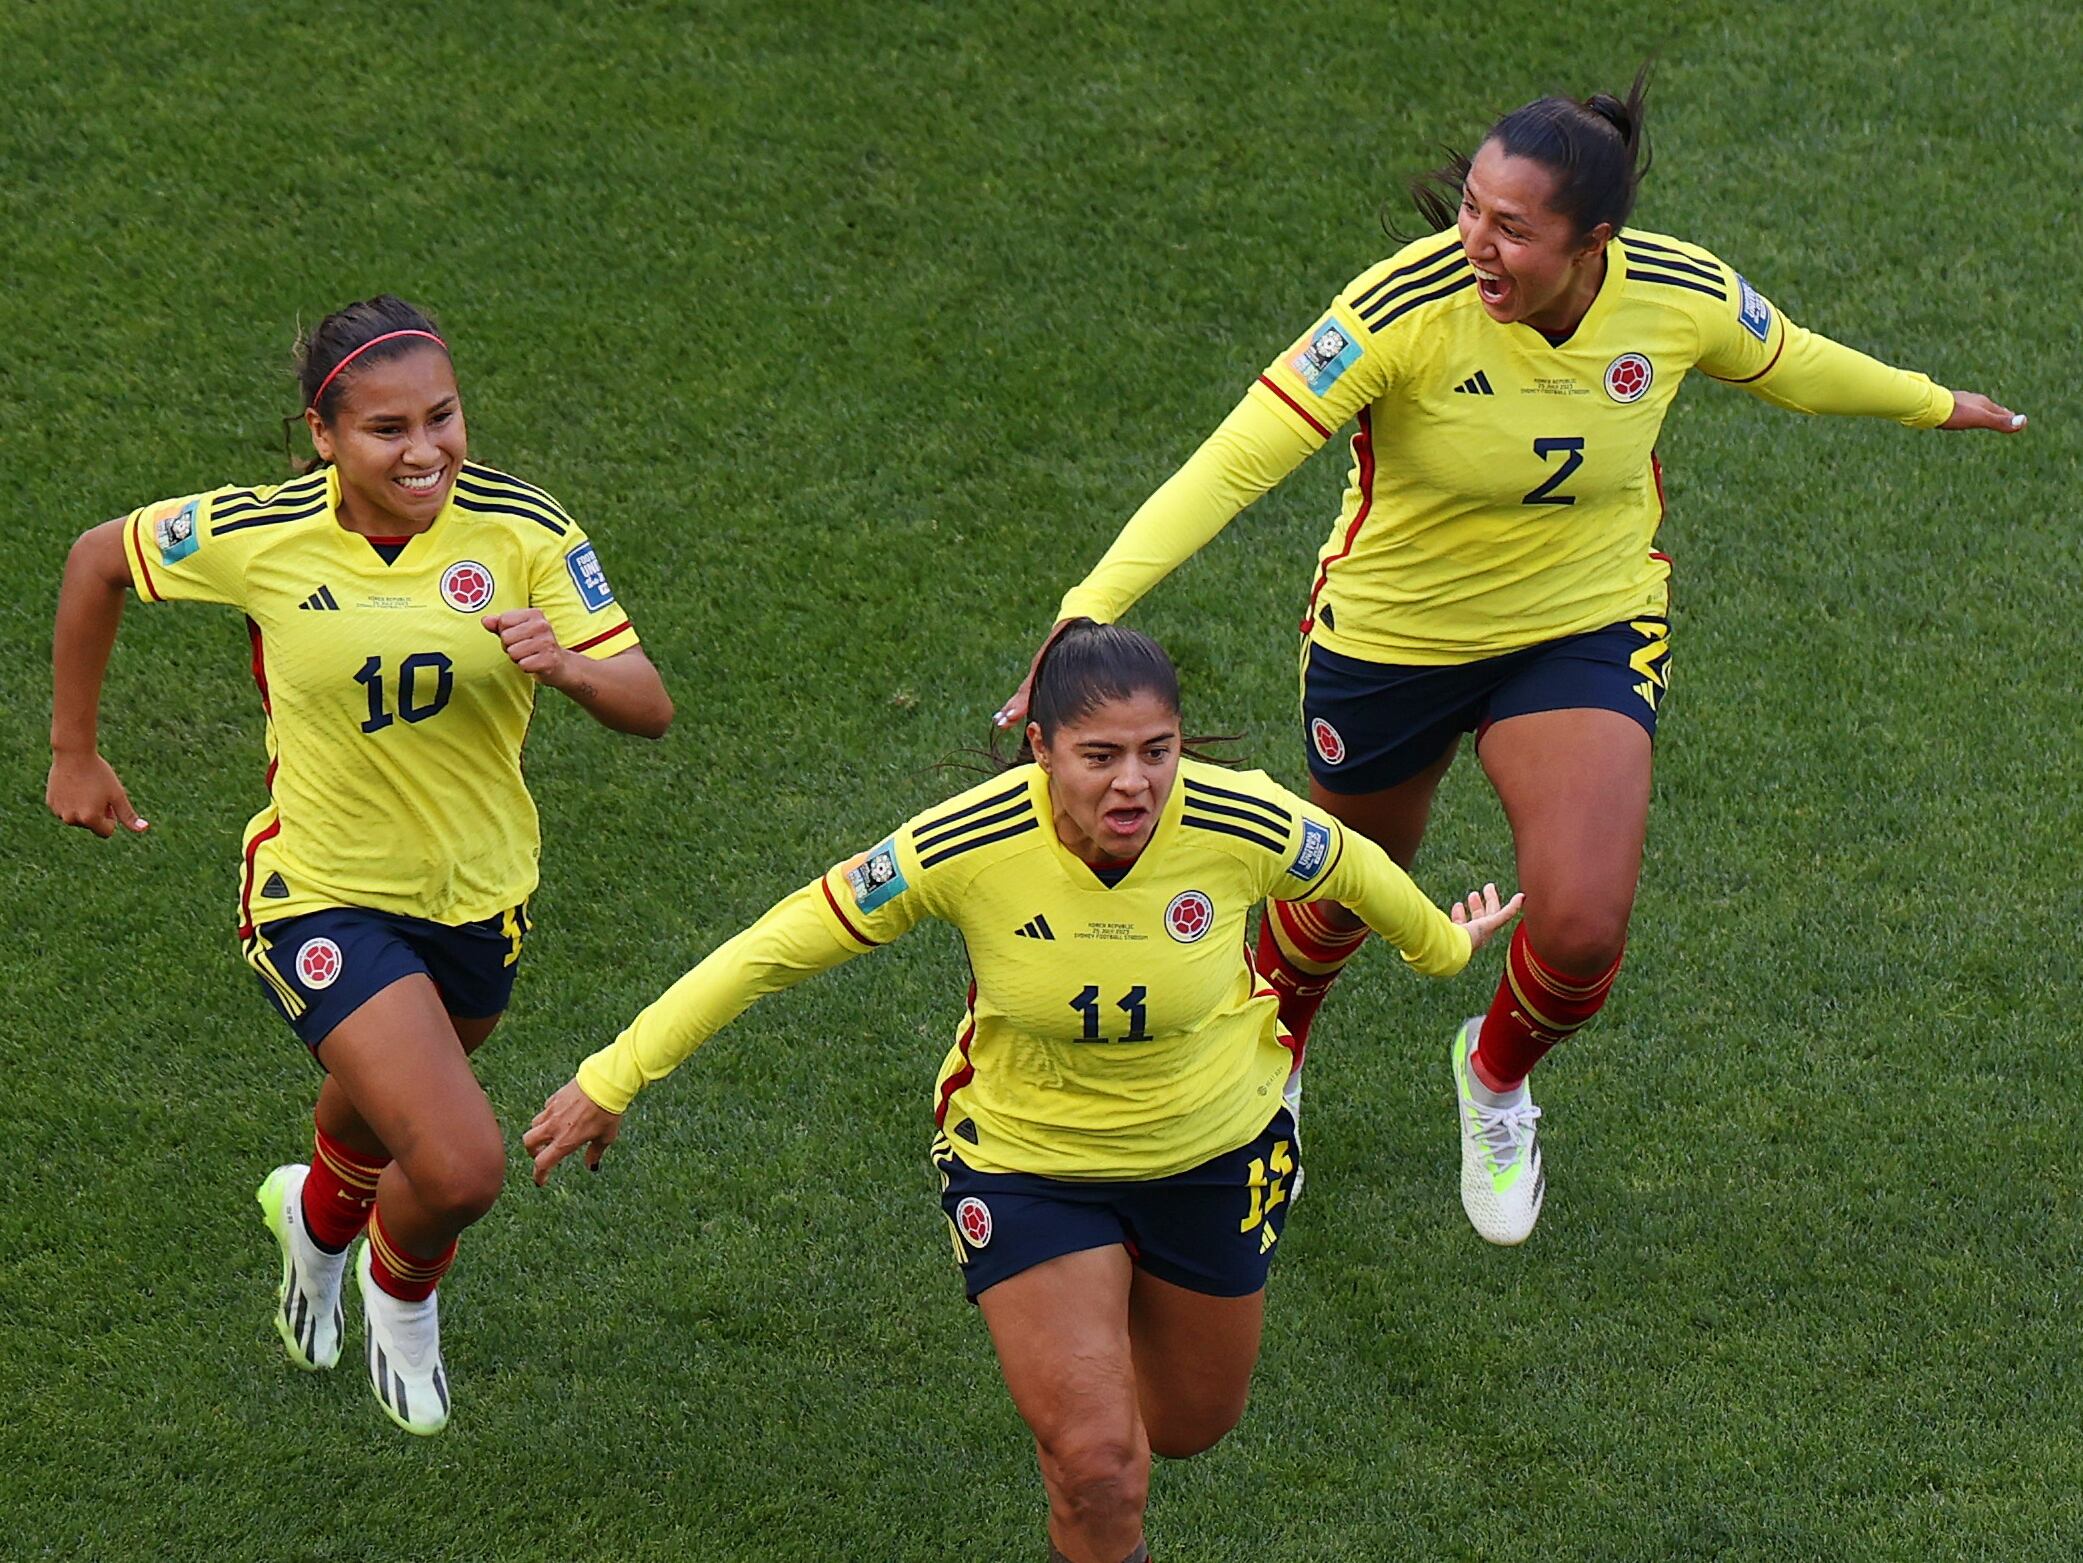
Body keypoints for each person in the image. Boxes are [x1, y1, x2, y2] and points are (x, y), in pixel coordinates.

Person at [995, 67, 2027, 1248]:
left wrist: (1933, 403)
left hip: (1581, 626)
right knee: (1348, 877)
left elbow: (1791, 358)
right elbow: (1236, 462)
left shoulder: (1676, 296)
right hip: (1393, 636)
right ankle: (1269, 1052)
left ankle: (1492, 1083)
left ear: (1594, 242)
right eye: (1470, 208)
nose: (1472, 242)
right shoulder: (1400, 308)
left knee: (1581, 926)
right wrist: (1087, 609)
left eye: (1509, 227)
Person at [526, 622, 1518, 1563]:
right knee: (1096, 1463)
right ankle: (1075, 1421)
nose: (1133, 782)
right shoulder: (960, 844)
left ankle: (1091, 1374)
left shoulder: (1238, 816)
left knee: (1185, 1426)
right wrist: (615, 1074)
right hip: (1027, 1164)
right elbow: (781, 943)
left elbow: (1348, 864)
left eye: (1156, 750)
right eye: (1100, 756)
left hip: (1217, 1152)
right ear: (1041, 747)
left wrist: (1440, 947)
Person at [46, 296, 673, 1435]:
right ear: (322, 435)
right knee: (463, 1165)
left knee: (382, 1123)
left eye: (443, 418)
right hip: (317, 892)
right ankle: (399, 1287)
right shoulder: (260, 533)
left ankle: (316, 1225)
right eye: (388, 429)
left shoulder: (523, 529)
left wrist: (573, 672)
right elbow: (98, 563)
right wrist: (73, 751)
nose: (425, 450)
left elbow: (650, 705)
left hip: (483, 896)